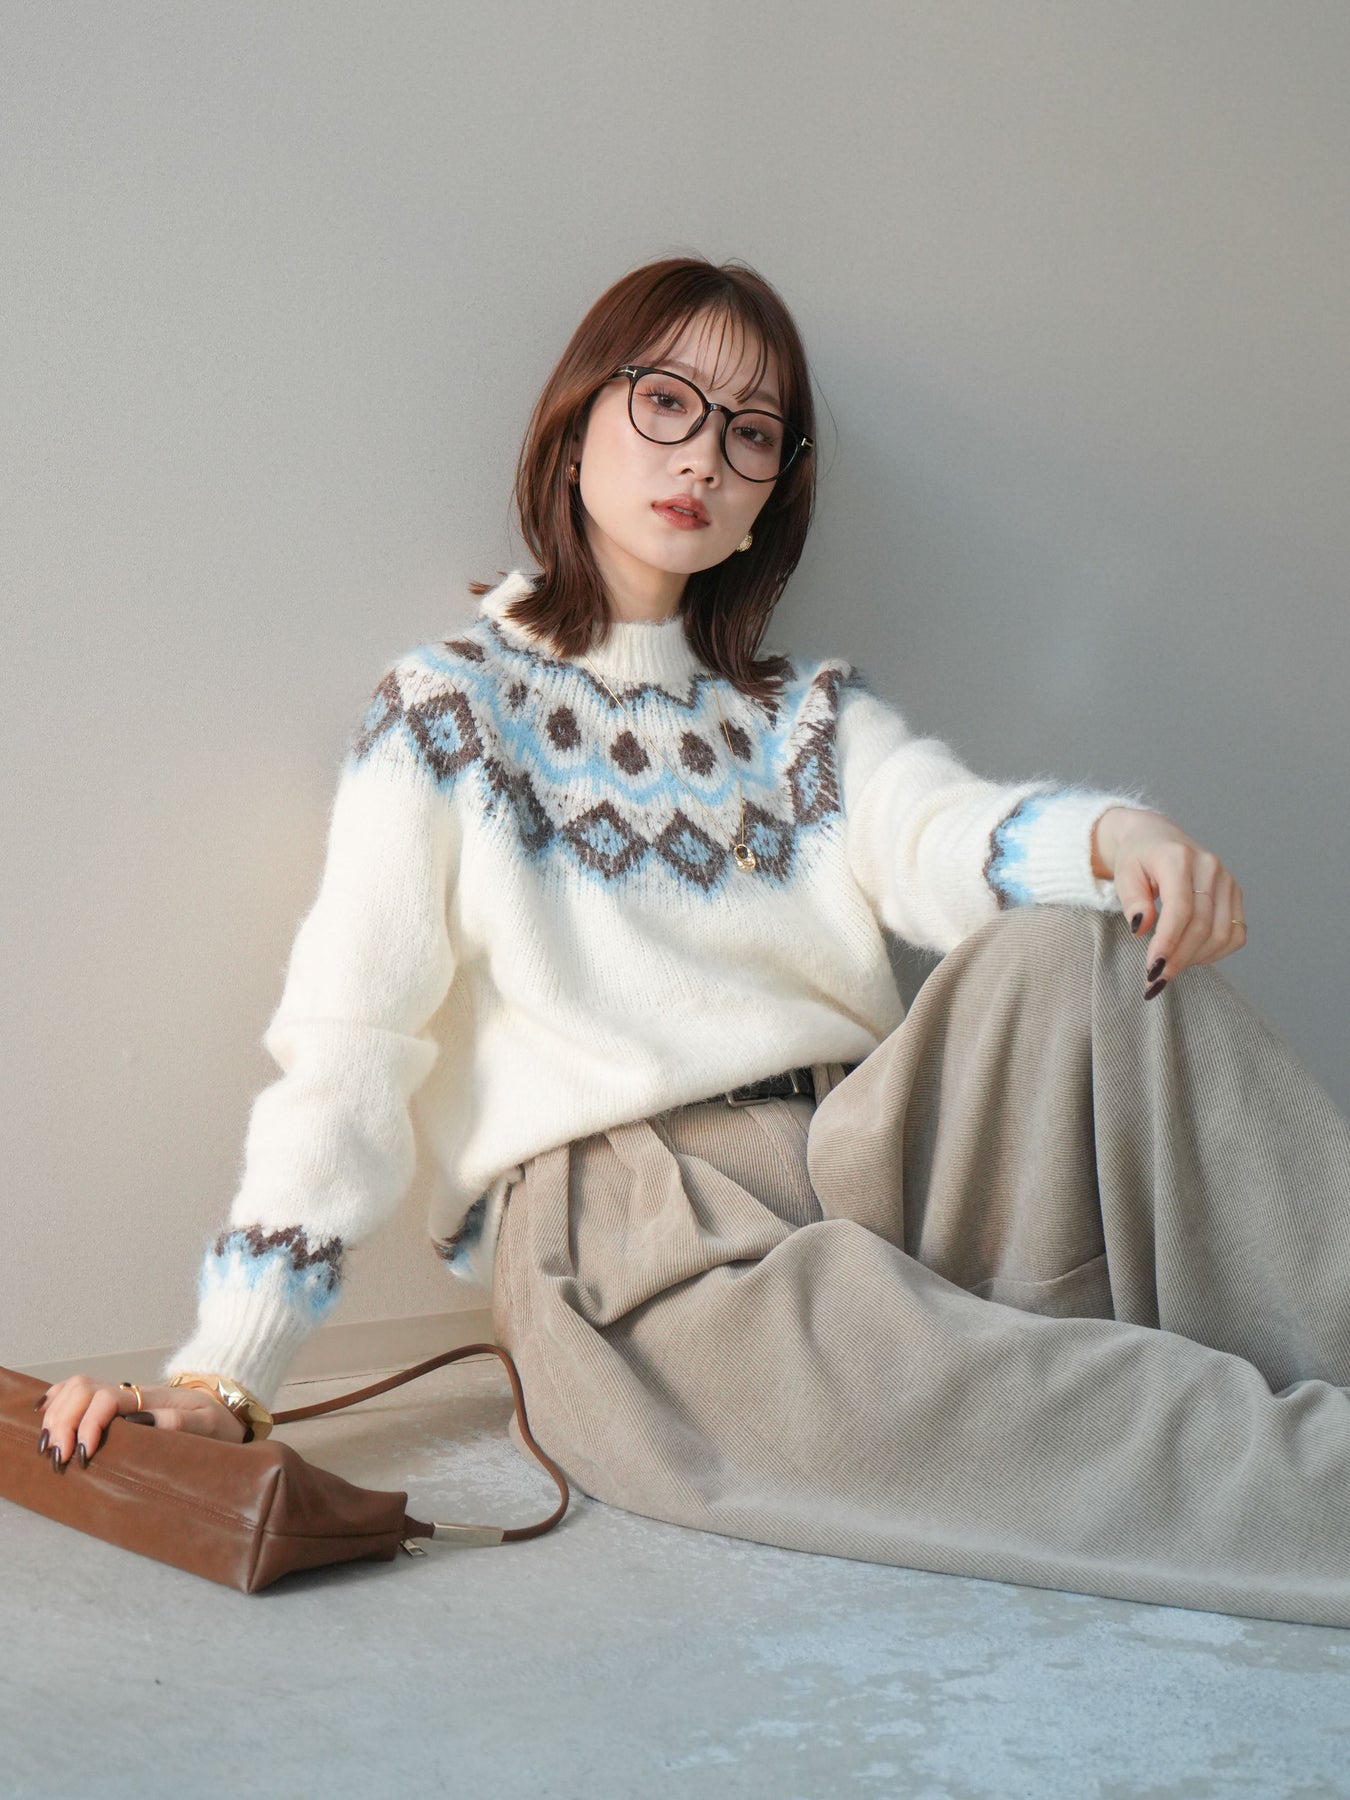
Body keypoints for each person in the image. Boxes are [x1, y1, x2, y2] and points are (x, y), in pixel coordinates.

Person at [35, 256, 1350, 1628]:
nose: (704, 456)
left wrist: (1115, 841)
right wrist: (226, 1374)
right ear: (576, 423)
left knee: (1084, 952)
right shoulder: (446, 711)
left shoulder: (803, 718)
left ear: (773, 491)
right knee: (1058, 1418)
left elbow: (940, 830)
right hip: (639, 1240)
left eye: (751, 432)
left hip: (865, 1163)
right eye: (666, 401)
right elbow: (350, 1050)